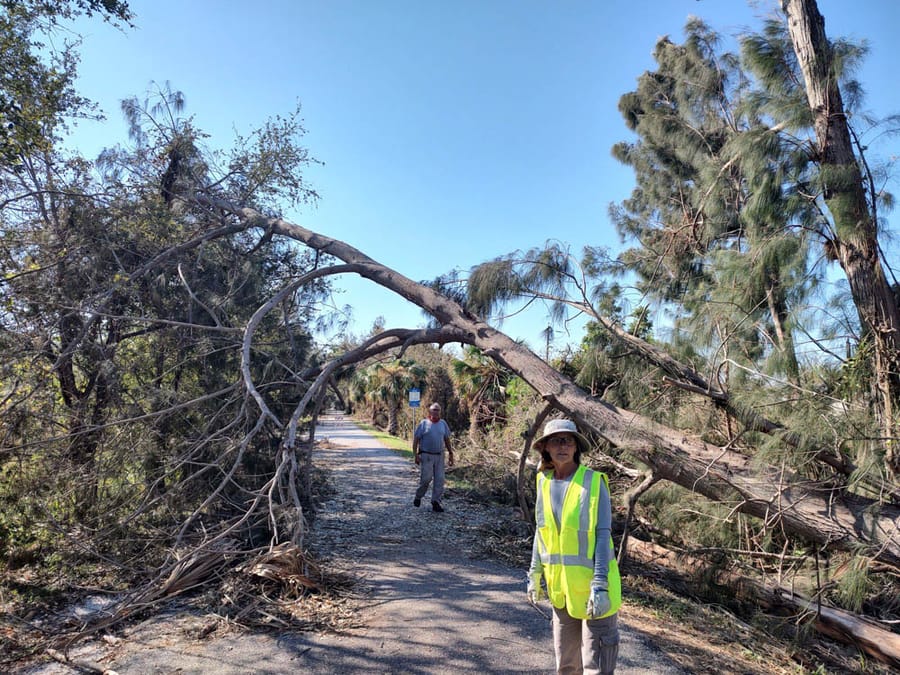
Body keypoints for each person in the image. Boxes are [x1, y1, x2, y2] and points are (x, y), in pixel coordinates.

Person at [526, 418, 621, 675]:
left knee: (596, 668)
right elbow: (541, 531)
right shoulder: (543, 482)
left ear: (577, 447)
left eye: (568, 440)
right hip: (562, 591)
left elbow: (603, 537)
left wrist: (600, 585)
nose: (562, 446)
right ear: (545, 447)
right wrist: (534, 573)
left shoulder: (593, 482)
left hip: (594, 590)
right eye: (556, 440)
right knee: (566, 665)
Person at [412, 402, 454, 512]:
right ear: (429, 411)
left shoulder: (443, 424)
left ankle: (436, 502)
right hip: (426, 455)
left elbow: (447, 439)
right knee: (426, 479)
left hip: (440, 455)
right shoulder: (423, 423)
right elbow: (416, 439)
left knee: (439, 480)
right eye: (434, 410)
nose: (435, 412)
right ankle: (418, 496)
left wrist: (451, 454)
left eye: (437, 410)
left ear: (440, 412)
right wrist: (415, 455)